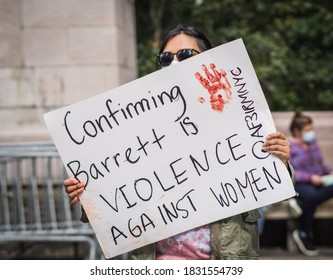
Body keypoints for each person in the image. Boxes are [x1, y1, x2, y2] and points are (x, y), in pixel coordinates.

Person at [64, 23, 294, 260]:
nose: (174, 63)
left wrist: (282, 162)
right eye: (165, 58)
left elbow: (274, 185)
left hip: (224, 260)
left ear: (209, 59)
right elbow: (119, 196)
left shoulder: (239, 115)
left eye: (185, 55)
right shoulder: (135, 126)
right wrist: (88, 194)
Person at [288, 111, 333, 256]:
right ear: (297, 131)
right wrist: (311, 178)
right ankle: (304, 233)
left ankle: (299, 205)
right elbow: (291, 170)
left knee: (310, 198)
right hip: (301, 183)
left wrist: (330, 171)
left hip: (319, 181)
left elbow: (320, 165)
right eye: (308, 130)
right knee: (311, 196)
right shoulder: (289, 145)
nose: (311, 133)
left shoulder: (312, 143)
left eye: (311, 129)